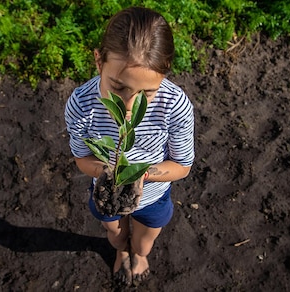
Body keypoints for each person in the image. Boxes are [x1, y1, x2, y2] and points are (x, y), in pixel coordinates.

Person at [64, 6, 194, 287]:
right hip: (106, 190)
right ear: (99, 62)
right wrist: (110, 173)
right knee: (115, 234)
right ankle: (122, 251)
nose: (128, 107)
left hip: (154, 196)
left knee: (145, 242)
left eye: (147, 93)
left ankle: (139, 255)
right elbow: (82, 157)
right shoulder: (81, 105)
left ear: (164, 74)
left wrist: (140, 174)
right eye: (118, 87)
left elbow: (182, 166)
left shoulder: (175, 106)